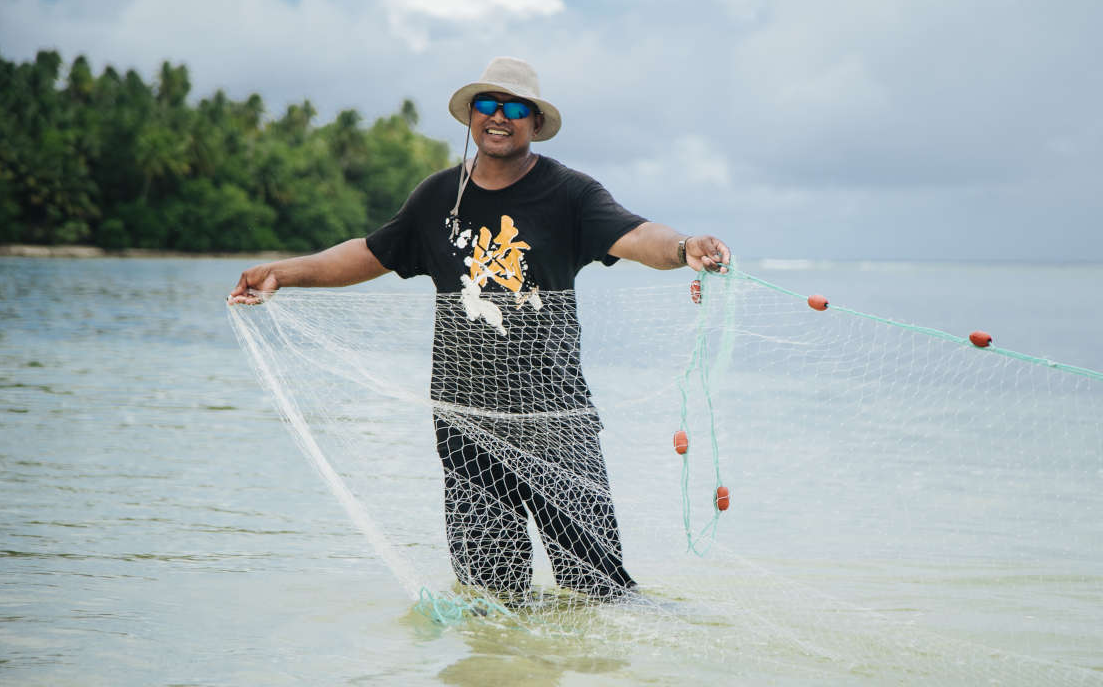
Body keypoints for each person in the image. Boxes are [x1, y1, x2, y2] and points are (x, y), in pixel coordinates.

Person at [230, 56, 731, 600]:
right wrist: (282, 272)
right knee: (490, 598)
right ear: (470, 116)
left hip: (555, 421)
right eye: (487, 105)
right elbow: (370, 254)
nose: (499, 116)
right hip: (465, 421)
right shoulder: (437, 197)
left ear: (535, 123)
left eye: (515, 107)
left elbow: (638, 237)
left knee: (599, 591)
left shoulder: (571, 194)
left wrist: (684, 249)